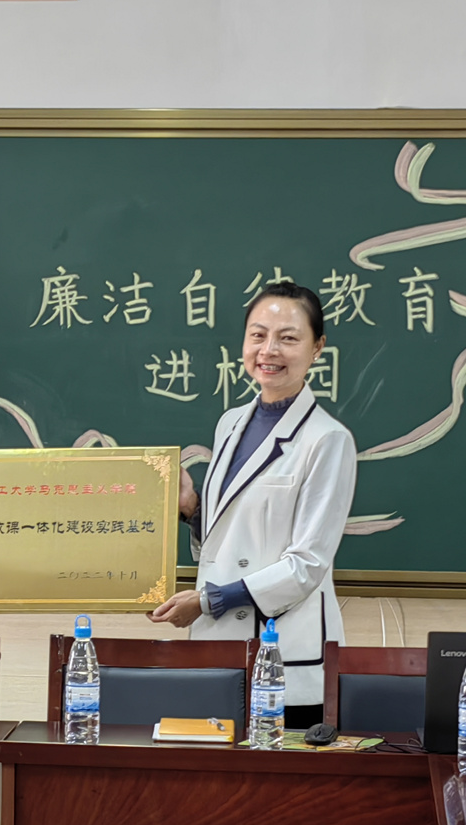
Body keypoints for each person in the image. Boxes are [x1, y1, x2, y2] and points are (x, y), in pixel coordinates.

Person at [148, 280, 357, 729]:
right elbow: (233, 535)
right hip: (219, 645)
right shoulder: (231, 423)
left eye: (288, 338)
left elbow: (307, 564)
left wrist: (209, 601)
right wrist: (192, 510)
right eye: (258, 335)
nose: (269, 350)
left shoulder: (328, 439)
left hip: (285, 653)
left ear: (317, 347)